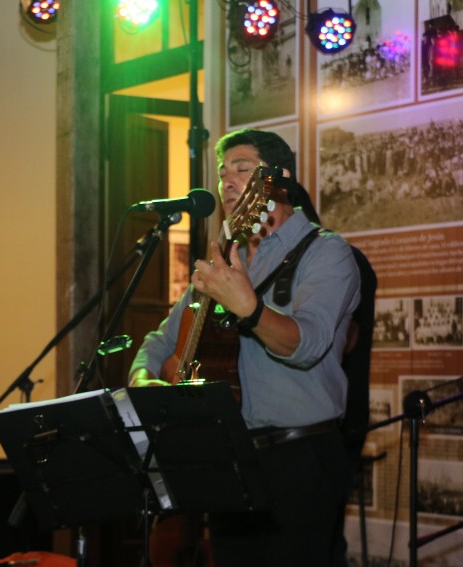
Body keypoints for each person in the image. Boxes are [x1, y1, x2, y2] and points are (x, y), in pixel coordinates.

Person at [128, 128, 362, 567]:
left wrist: (250, 310)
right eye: (222, 173)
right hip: (230, 458)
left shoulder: (327, 253)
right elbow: (159, 341)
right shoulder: (222, 257)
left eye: (242, 168)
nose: (227, 181)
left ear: (279, 179)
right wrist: (146, 380)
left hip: (299, 459)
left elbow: (308, 344)